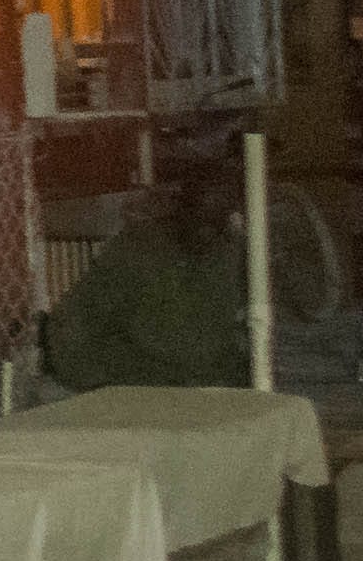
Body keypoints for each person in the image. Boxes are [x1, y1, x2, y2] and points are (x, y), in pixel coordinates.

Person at [49, 162, 258, 391]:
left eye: (216, 221)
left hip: (211, 383)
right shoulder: (138, 249)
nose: (206, 231)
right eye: (198, 215)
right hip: (143, 381)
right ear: (181, 208)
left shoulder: (236, 253)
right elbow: (78, 325)